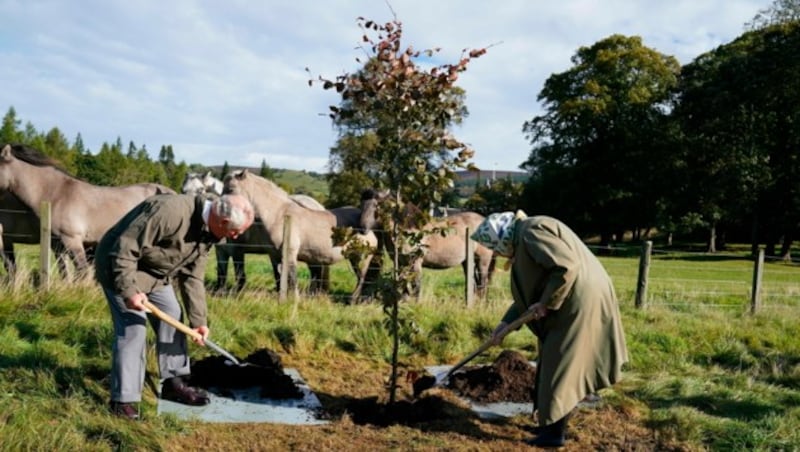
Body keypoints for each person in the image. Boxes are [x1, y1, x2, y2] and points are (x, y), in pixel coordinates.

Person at [471, 211, 629, 448]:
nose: (497, 253)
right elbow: (530, 294)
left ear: (502, 238)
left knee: (560, 366)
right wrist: (505, 324)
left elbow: (566, 266)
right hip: (569, 302)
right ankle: (548, 423)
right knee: (552, 362)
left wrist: (546, 303)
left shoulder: (531, 232)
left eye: (495, 247)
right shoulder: (525, 236)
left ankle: (554, 435)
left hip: (577, 303)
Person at [95, 192, 255, 420]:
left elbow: (193, 277)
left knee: (172, 314)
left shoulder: (208, 232)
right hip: (119, 267)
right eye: (235, 232)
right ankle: (123, 401)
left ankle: (174, 382)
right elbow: (125, 248)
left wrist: (199, 322)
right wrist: (129, 292)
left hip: (155, 273)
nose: (236, 237)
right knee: (133, 330)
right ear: (223, 222)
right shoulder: (170, 212)